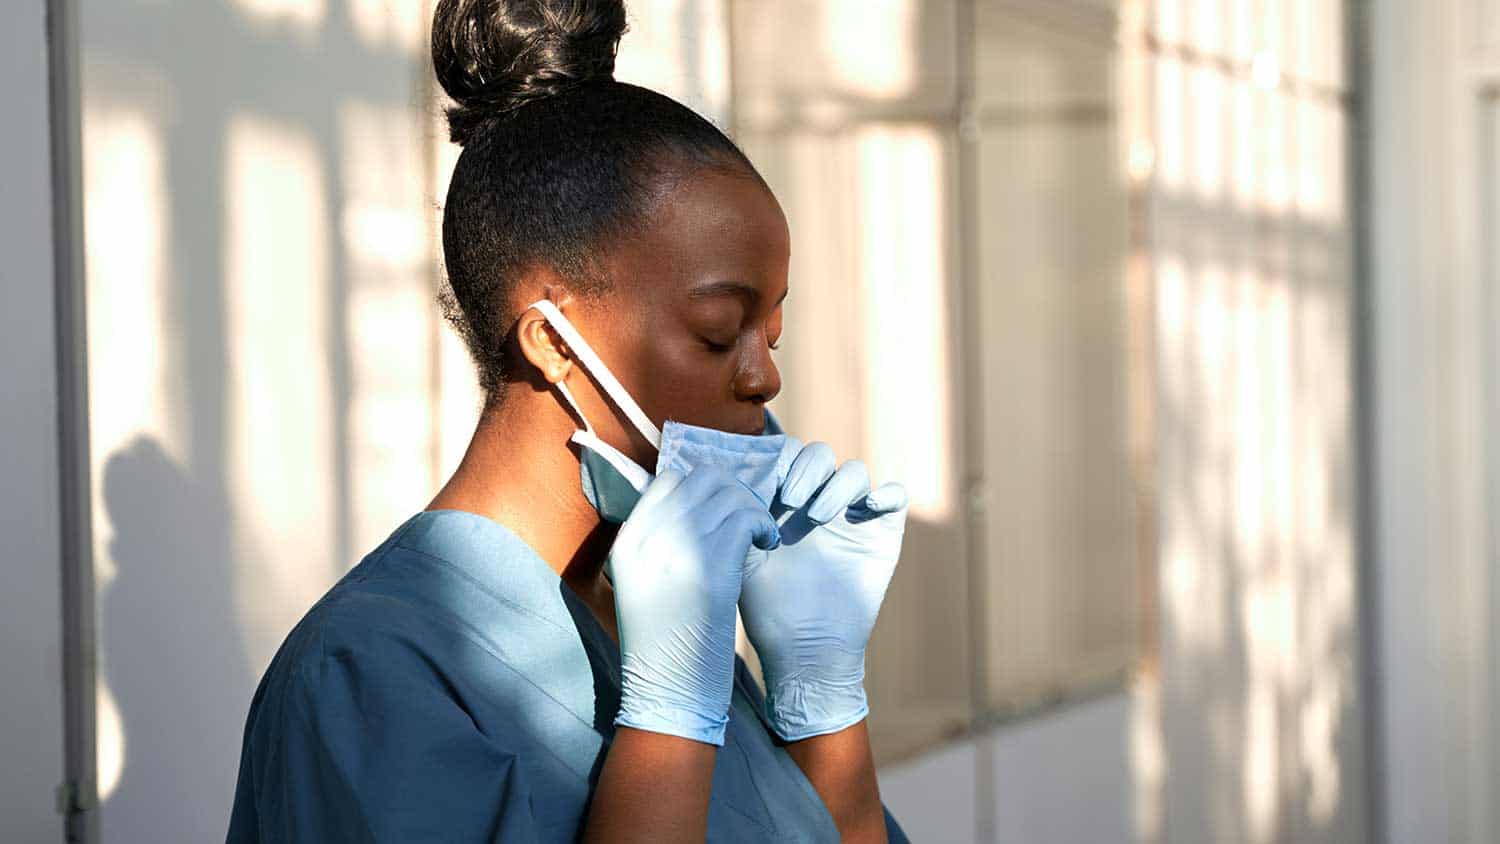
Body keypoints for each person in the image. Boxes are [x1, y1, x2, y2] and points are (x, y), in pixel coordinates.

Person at [226, 0, 911, 840]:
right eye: (717, 333)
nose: (764, 376)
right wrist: (666, 721)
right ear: (553, 341)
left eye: (771, 334)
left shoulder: (664, 628)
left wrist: (821, 701)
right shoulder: (371, 676)